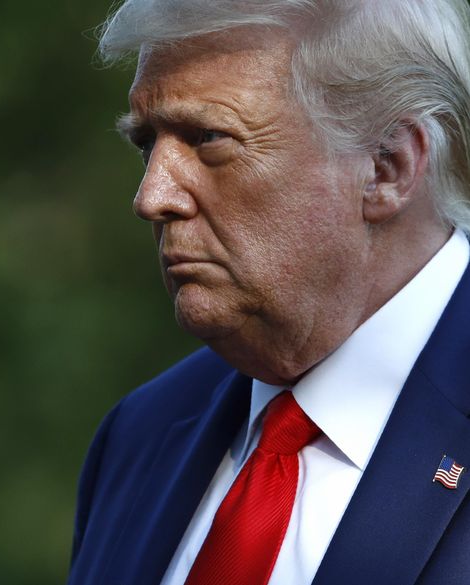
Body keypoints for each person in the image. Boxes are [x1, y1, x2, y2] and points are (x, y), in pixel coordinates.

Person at [67, 1, 470, 584]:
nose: (151, 196)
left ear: (387, 167)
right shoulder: (139, 435)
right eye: (146, 145)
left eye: (208, 137)